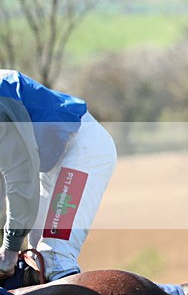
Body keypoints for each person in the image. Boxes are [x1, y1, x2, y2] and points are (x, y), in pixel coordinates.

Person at [0, 70, 116, 282]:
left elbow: (20, 177)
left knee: (53, 257)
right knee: (36, 262)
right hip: (49, 164)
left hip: (82, 150)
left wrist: (10, 248)